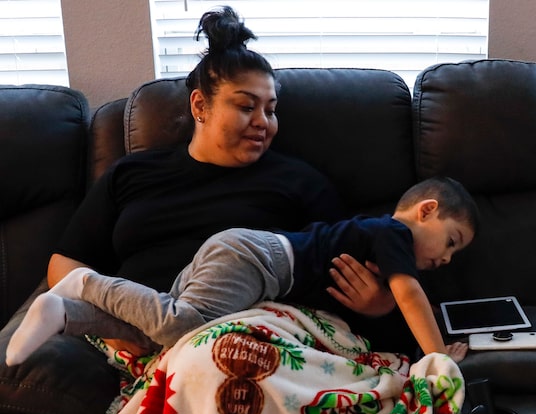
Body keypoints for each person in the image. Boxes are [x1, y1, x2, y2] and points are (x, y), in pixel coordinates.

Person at [1, 6, 395, 367]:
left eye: (271, 110)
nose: (263, 121)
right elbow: (64, 262)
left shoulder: (299, 183)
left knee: (220, 358)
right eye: (246, 106)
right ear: (200, 107)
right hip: (138, 333)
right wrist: (112, 324)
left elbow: (345, 266)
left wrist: (376, 307)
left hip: (249, 336)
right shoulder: (132, 174)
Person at [7, 177, 477, 365]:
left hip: (242, 260)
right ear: (425, 210)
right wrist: (436, 361)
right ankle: (86, 283)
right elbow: (411, 296)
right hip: (257, 259)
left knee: (158, 338)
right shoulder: (392, 234)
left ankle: (65, 313)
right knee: (184, 323)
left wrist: (407, 336)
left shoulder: (383, 246)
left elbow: (395, 310)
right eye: (450, 241)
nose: (447, 259)